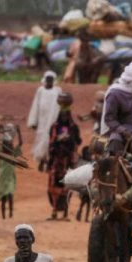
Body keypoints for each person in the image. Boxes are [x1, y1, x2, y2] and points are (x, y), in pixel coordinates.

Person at [45, 91, 81, 221]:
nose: (64, 117)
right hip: (56, 161)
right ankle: (54, 211)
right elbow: (51, 144)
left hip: (67, 161)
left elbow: (77, 142)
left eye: (66, 115)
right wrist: (58, 140)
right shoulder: (54, 127)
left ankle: (65, 213)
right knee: (54, 186)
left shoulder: (73, 128)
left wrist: (68, 140)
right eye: (62, 115)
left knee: (67, 186)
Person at [26, 72, 60, 169]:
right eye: (47, 79)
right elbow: (35, 106)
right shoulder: (40, 90)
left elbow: (58, 107)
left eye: (50, 79)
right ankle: (41, 160)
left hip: (52, 121)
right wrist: (33, 121)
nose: (49, 81)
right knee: (41, 138)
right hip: (41, 121)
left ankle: (48, 161)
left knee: (50, 141)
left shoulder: (57, 91)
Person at [0, 126, 21, 220]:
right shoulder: (0, 153)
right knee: (4, 198)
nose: (9, 146)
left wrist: (19, 131)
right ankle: (3, 216)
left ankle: (11, 214)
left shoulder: (13, 154)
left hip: (11, 178)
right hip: (2, 178)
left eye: (10, 144)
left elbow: (20, 143)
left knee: (10, 195)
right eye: (7, 144)